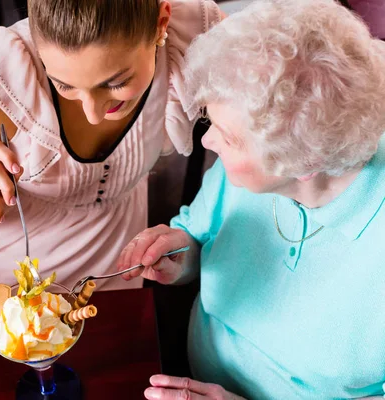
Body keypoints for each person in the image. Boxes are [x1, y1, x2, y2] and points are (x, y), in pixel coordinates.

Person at [117, 0, 385, 398]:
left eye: (227, 137)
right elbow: (201, 232)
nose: (207, 142)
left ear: (304, 161)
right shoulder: (243, 169)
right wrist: (182, 254)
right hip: (183, 370)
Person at [0, 0, 225, 305]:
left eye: (115, 83)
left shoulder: (197, 35)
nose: (93, 113)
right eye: (64, 86)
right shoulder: (7, 73)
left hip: (107, 265)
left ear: (160, 24)